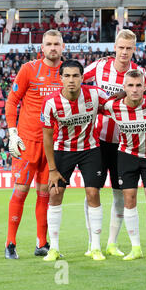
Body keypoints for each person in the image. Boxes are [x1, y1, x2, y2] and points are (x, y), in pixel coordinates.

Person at [82, 29, 146, 258]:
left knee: (119, 194)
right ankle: (92, 242)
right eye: (121, 47)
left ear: (134, 49)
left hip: (124, 144)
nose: (124, 52)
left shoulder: (139, 74)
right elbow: (75, 80)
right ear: (115, 47)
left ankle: (111, 243)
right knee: (92, 191)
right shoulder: (99, 67)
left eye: (128, 48)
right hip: (98, 139)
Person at [4, 30, 65, 259]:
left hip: (53, 144)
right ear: (42, 47)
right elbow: (12, 101)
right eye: (48, 44)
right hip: (27, 142)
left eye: (56, 44)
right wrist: (12, 133)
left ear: (63, 46)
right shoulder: (29, 69)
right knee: (20, 191)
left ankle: (41, 243)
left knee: (45, 194)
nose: (52, 48)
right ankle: (10, 243)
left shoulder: (67, 72)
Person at [41, 60, 109, 261]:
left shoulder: (96, 94)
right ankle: (53, 248)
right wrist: (52, 169)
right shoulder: (51, 103)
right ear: (60, 78)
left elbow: (116, 102)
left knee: (92, 193)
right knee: (55, 194)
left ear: (82, 77)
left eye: (75, 76)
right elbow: (47, 136)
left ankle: (95, 247)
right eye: (67, 76)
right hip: (63, 150)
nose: (71, 80)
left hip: (91, 149)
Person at [102, 69, 146, 261]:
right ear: (124, 88)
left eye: (138, 85)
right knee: (129, 200)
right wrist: (120, 94)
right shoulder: (113, 106)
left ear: (144, 87)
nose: (134, 89)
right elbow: (97, 104)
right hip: (126, 156)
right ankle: (136, 248)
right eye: (130, 86)